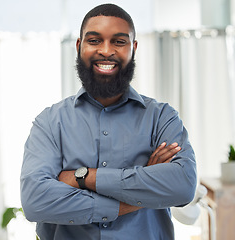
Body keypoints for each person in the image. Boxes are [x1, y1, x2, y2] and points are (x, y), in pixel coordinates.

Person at [20, 3, 197, 240]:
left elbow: (183, 186)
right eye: (94, 40)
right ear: (79, 46)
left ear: (133, 48)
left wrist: (81, 178)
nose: (106, 50)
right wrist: (139, 193)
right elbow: (35, 201)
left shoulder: (162, 118)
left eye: (119, 41)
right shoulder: (50, 122)